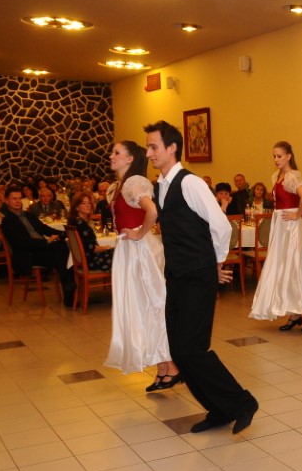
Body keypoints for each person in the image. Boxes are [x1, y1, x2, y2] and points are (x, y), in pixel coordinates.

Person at [145, 120, 259, 434]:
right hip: (176, 275)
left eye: (153, 146)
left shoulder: (190, 183)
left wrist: (216, 263)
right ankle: (219, 409)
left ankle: (242, 402)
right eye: (148, 147)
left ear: (171, 148)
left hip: (197, 274)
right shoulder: (161, 186)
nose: (149, 152)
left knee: (191, 348)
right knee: (179, 349)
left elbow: (221, 226)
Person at [103, 141, 180, 392]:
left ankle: (172, 366)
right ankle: (164, 367)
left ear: (129, 159)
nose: (111, 156)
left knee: (151, 305)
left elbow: (152, 211)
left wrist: (139, 233)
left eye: (116, 153)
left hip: (139, 251)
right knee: (142, 308)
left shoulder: (134, 182)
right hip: (129, 250)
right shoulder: (120, 185)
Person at [248, 141, 302, 332]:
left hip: (291, 227)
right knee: (283, 269)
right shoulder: (277, 176)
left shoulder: (292, 176)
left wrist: (297, 214)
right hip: (280, 226)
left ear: (289, 156)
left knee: (296, 268)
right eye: (274, 156)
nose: (276, 159)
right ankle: (294, 314)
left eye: (279, 156)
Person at [0, 185, 75, 307]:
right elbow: (21, 243)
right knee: (62, 253)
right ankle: (71, 293)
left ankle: (70, 293)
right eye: (14, 198)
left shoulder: (28, 215)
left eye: (19, 198)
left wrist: (64, 234)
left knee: (62, 248)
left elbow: (44, 229)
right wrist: (46, 242)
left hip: (41, 250)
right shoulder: (7, 221)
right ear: (6, 201)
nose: (18, 201)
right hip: (27, 255)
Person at [67, 193, 114, 273]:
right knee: (119, 254)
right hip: (92, 261)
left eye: (89, 203)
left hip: (86, 260)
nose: (88, 205)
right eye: (84, 203)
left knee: (117, 253)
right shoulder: (81, 224)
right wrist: (107, 247)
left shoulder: (75, 222)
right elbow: (92, 248)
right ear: (77, 207)